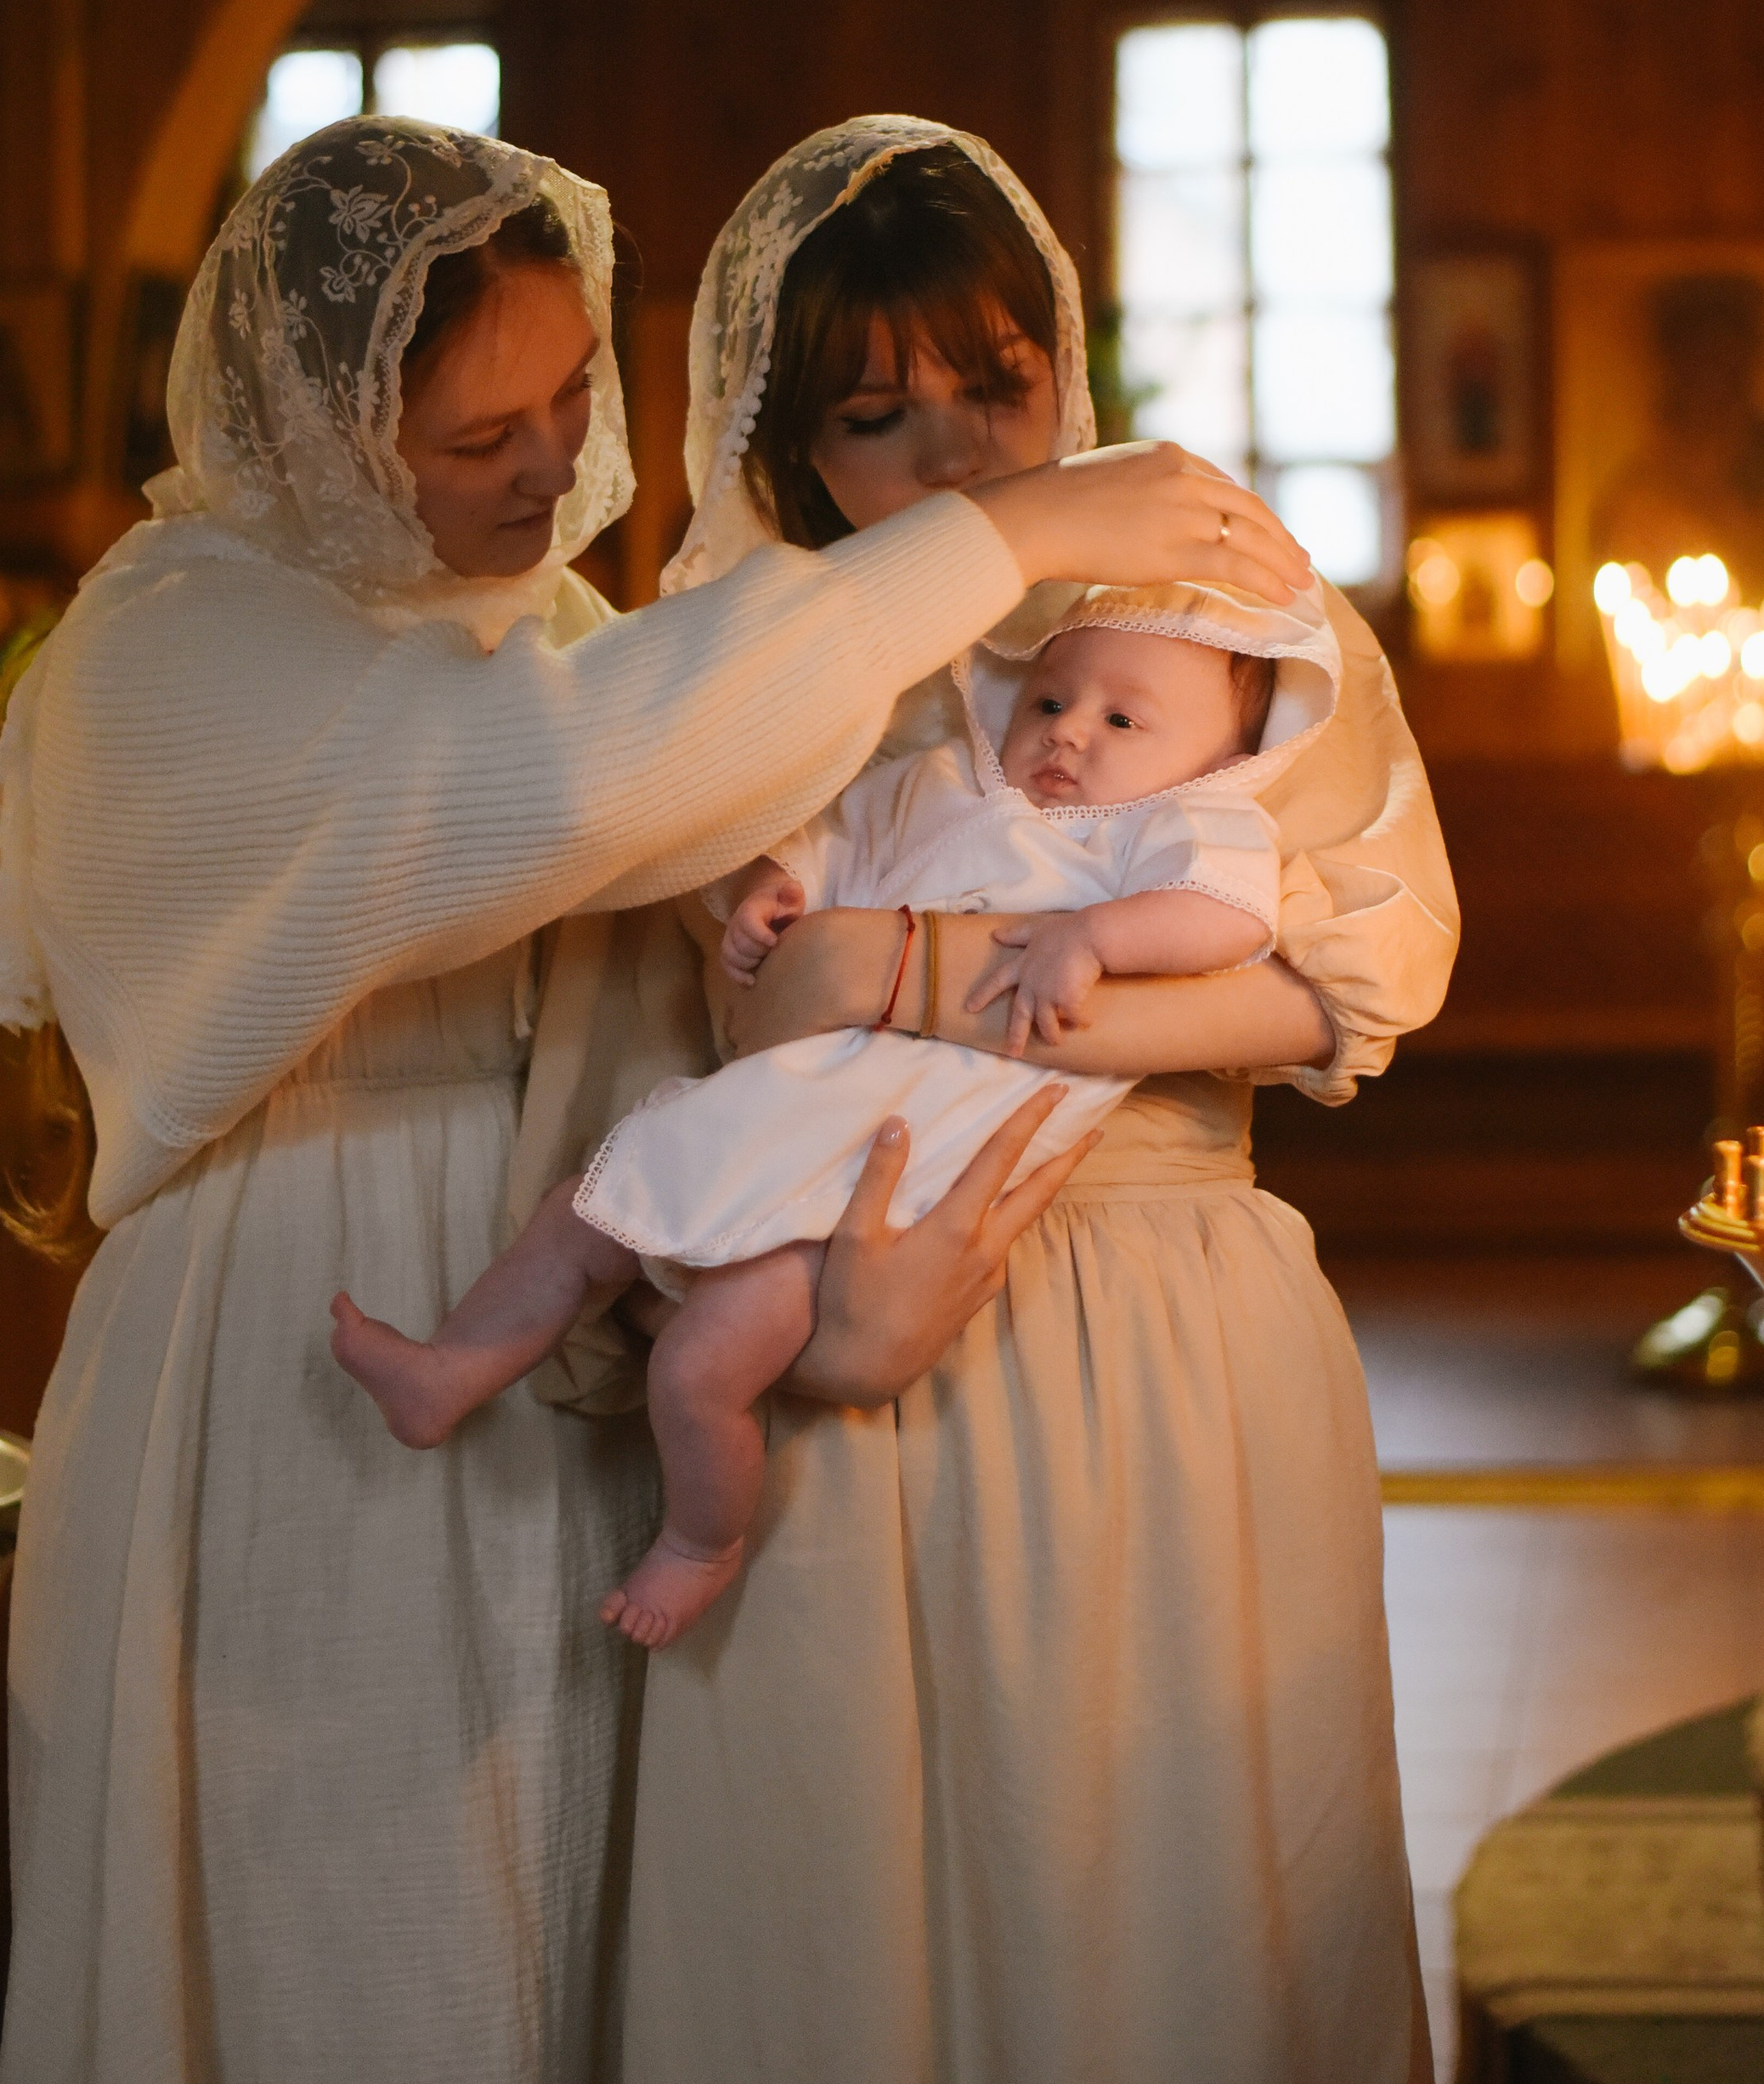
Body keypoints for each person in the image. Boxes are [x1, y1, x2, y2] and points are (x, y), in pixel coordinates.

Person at [0, 114, 1305, 2084]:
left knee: (554, 1978)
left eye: (571, 395)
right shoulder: (176, 641)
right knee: (337, 1964)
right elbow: (552, 796)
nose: (539, 463)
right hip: (295, 1336)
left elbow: (724, 975)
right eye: (476, 423)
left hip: (540, 1327)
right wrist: (1006, 528)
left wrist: (816, 1283)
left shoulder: (549, 625)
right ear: (311, 419)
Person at [512, 116, 1461, 2084]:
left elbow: (1349, 986)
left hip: (1170, 1302)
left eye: (996, 384)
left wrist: (911, 955)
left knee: (1174, 1910)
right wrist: (878, 965)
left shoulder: (1228, 600)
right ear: (785, 451)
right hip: (859, 1311)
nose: (954, 453)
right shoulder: (774, 661)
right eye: (875, 414)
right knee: (851, 1912)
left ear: (1063, 361)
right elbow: (757, 1008)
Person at [334, 583, 1327, 1650]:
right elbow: (834, 833)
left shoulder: (1177, 826)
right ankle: (453, 1369)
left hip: (892, 1174)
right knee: (582, 1210)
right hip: (789, 1100)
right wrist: (779, 886)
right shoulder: (945, 784)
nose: (1069, 732)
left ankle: (700, 1539)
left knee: (700, 1364)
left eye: (1122, 720)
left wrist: (1095, 937)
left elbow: (1225, 918)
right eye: (1047, 699)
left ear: (1226, 757)